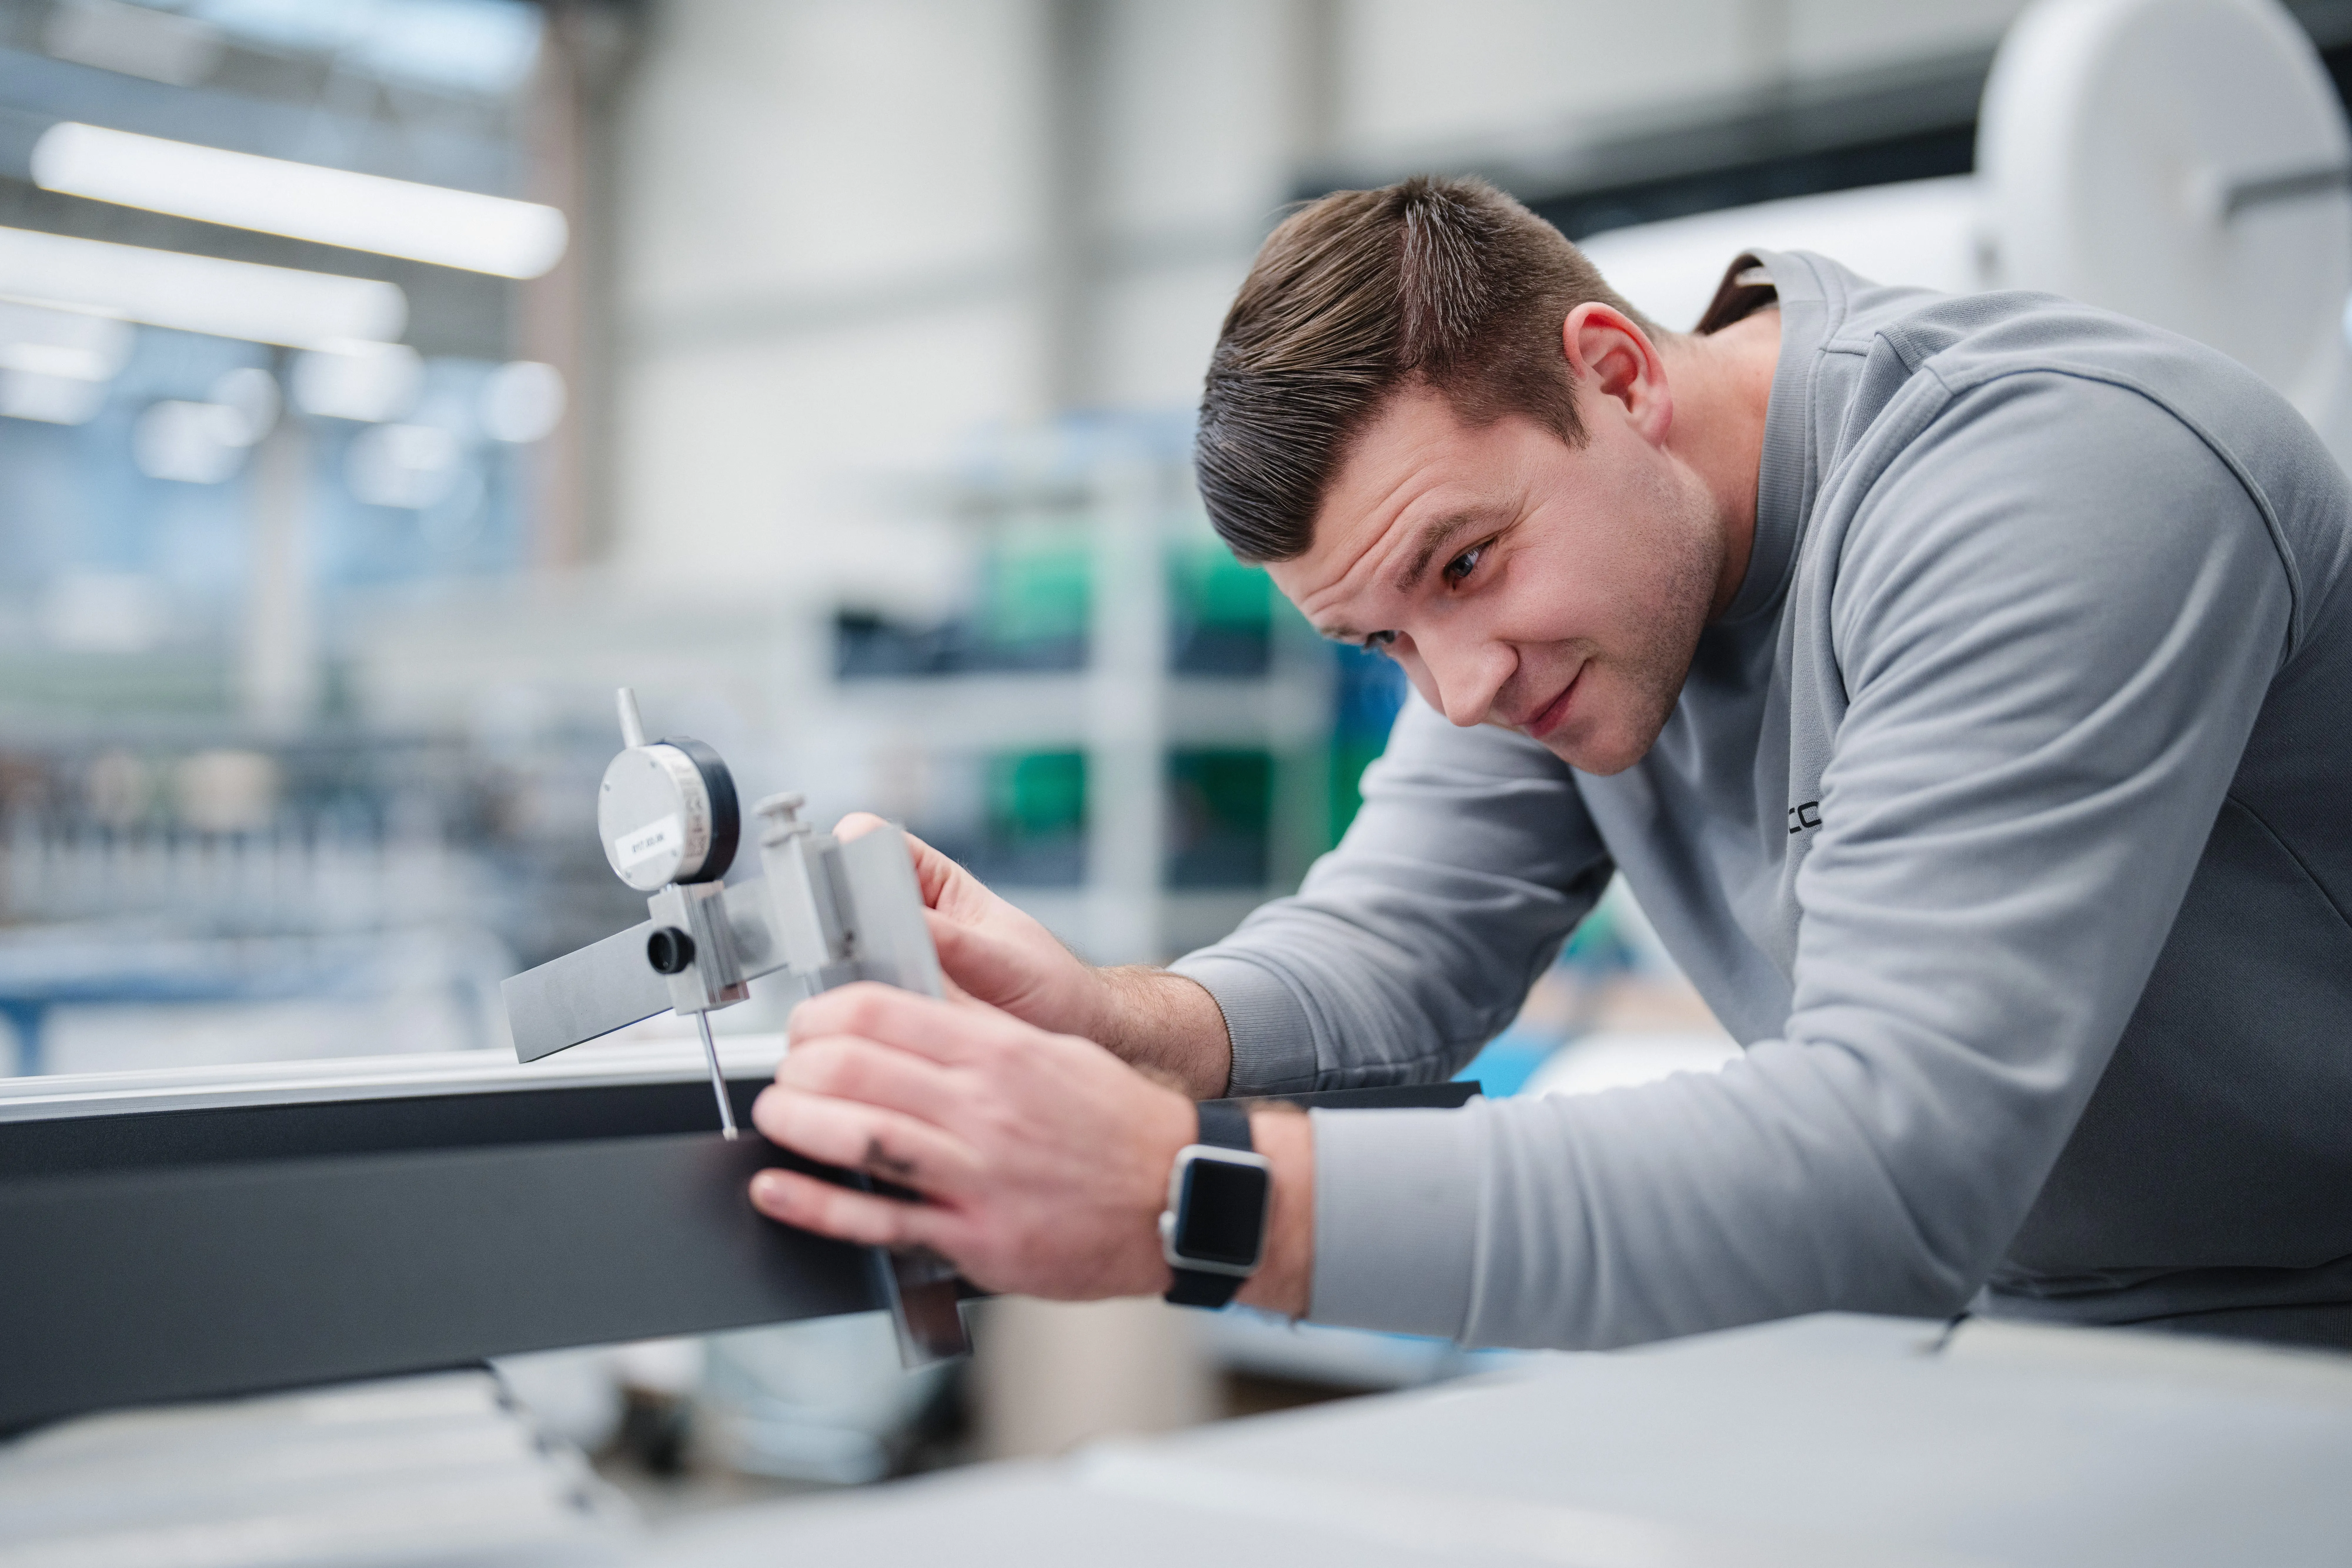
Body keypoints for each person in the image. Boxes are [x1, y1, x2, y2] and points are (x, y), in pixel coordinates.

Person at [744, 176, 2352, 1350]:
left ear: (1619, 374)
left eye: (1458, 571)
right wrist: (1128, 1028)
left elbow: (1888, 1162)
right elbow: (1396, 949)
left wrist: (1194, 1191)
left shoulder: (2052, 482)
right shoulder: (1567, 602)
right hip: (2050, 1339)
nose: (1459, 688)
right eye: (1379, 643)